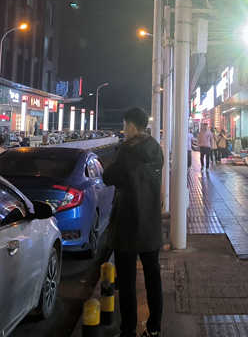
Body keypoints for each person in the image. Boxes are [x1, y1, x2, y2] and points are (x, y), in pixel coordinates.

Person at [102, 107, 163, 337]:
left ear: (131, 125)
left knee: (127, 282)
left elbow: (108, 177)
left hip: (127, 224)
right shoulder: (156, 149)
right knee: (153, 278)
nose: (123, 130)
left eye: (124, 125)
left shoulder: (126, 151)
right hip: (150, 223)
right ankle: (154, 328)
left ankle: (128, 330)